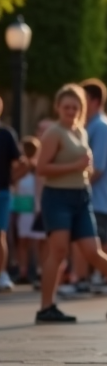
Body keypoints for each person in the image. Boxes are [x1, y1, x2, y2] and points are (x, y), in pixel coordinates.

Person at [35, 84, 107, 323]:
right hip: (58, 197)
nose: (70, 110)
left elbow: (86, 165)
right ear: (58, 107)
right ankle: (47, 307)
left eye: (75, 107)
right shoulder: (54, 133)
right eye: (66, 106)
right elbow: (41, 168)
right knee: (57, 251)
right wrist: (75, 166)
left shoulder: (81, 131)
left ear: (81, 108)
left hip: (82, 197)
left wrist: (84, 168)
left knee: (93, 251)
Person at [81, 80, 107, 291]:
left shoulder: (101, 126)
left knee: (103, 244)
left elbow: (98, 167)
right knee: (98, 243)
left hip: (99, 197)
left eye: (83, 98)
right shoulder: (94, 125)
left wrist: (79, 185)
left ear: (94, 101)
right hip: (95, 197)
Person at [12, 137, 42, 286]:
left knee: (36, 242)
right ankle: (23, 271)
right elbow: (13, 180)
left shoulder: (39, 167)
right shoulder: (20, 167)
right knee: (23, 240)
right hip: (23, 205)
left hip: (36, 206)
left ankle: (37, 270)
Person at [0, 99, 22, 292]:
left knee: (1, 235)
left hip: (2, 192)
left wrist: (12, 179)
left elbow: (20, 163)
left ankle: (2, 273)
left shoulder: (6, 134)